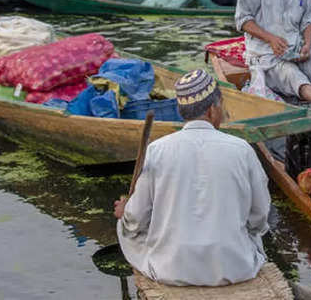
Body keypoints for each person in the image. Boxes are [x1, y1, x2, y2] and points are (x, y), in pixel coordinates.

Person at [114, 69, 271, 286]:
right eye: (221, 105)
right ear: (212, 110)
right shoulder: (242, 149)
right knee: (251, 234)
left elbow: (137, 218)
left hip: (170, 267)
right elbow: (260, 215)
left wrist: (125, 212)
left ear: (181, 112)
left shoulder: (157, 150)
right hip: (234, 266)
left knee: (128, 228)